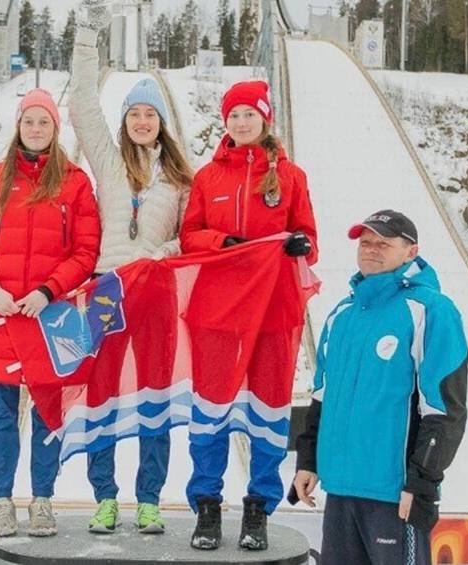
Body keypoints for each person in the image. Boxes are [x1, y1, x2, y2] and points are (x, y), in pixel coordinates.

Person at [179, 79, 318, 551]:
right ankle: (206, 504)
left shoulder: (291, 176)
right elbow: (190, 235)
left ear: (265, 118)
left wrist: (300, 245)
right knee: (210, 410)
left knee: (269, 409)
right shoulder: (208, 177)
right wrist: (223, 243)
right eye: (233, 115)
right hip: (217, 313)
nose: (241, 123)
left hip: (273, 311)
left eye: (249, 114)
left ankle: (259, 506)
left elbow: (309, 238)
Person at [68, 27, 195, 535]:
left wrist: (162, 252)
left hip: (156, 291)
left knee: (154, 394)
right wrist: (86, 42)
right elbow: (82, 106)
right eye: (134, 114)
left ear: (162, 123)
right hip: (107, 287)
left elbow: (191, 237)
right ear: (124, 121)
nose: (142, 121)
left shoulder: (180, 177)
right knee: (100, 389)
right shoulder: (109, 160)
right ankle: (104, 496)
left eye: (150, 114)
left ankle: (149, 499)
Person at [0, 88, 100, 538]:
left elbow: (85, 251)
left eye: (44, 122)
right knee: (2, 415)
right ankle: (1, 501)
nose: (35, 130)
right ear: (18, 126)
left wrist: (48, 290)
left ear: (55, 129)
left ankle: (42, 499)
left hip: (48, 316)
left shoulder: (74, 183)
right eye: (28, 121)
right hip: (2, 313)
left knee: (47, 412)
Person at [291, 210, 468, 565]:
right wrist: (308, 461)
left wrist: (422, 484)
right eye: (365, 242)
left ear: (411, 252)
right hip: (340, 489)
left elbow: (444, 410)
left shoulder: (430, 310)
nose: (371, 248)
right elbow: (322, 396)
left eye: (383, 243)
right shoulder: (342, 314)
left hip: (393, 494)